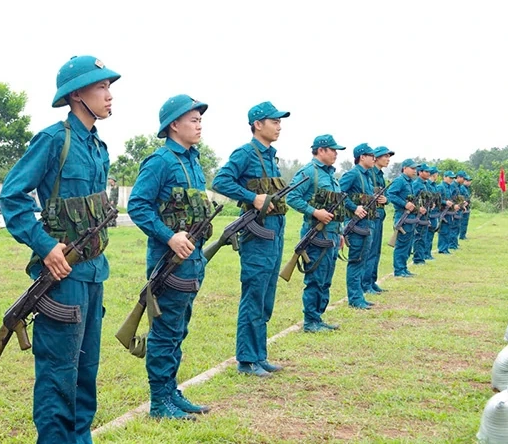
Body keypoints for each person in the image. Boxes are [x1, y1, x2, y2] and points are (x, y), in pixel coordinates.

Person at [0, 55, 119, 443]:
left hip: (92, 274)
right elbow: (12, 196)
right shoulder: (54, 141)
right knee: (58, 376)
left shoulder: (99, 147)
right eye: (101, 86)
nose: (109, 94)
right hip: (60, 278)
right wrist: (45, 245)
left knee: (86, 372)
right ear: (77, 94)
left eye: (108, 86)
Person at [128, 95, 214, 419]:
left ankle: (170, 392)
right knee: (164, 332)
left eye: (200, 119)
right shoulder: (160, 162)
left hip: (192, 262)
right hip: (169, 264)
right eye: (193, 119)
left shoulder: (193, 162)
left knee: (179, 330)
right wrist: (169, 236)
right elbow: (137, 205)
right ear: (174, 125)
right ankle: (158, 402)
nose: (199, 124)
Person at [212, 100, 290, 377]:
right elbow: (221, 181)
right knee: (254, 296)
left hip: (275, 234)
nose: (279, 126)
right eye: (274, 121)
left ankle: (259, 355)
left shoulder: (271, 157)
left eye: (280, 121)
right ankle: (246, 359)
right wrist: (252, 198)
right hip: (257, 238)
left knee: (266, 297)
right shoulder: (245, 153)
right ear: (258, 124)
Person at [286, 134, 347, 333]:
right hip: (316, 234)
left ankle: (318, 318)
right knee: (316, 278)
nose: (336, 154)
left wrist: (341, 233)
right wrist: (314, 212)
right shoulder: (309, 172)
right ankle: (310, 321)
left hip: (332, 234)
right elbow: (291, 196)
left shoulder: (331, 175)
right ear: (321, 150)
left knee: (326, 279)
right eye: (333, 150)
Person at [340, 143, 377, 310]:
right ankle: (355, 298)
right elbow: (339, 193)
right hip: (356, 226)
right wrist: (353, 207)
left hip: (367, 224)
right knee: (355, 261)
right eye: (371, 155)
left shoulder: (367, 176)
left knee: (362, 260)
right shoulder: (353, 174)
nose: (374, 158)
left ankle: (359, 294)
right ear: (362, 157)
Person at [387, 159, 425, 276]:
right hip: (402, 216)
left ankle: (403, 268)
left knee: (408, 245)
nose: (415, 171)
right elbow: (390, 194)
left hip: (410, 216)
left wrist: (418, 208)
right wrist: (404, 204)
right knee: (402, 244)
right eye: (412, 168)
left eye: (415, 169)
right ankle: (399, 270)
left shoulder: (409, 182)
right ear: (404, 168)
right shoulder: (400, 181)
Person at [363, 146, 393, 295]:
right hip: (370, 216)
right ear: (377, 157)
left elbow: (387, 195)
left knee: (376, 251)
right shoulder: (368, 174)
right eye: (385, 156)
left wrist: (385, 199)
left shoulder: (380, 175)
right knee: (369, 251)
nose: (388, 160)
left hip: (379, 216)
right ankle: (365, 283)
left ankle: (372, 281)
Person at [436, 171, 457, 254]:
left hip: (449, 212)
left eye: (452, 178)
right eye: (449, 178)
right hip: (442, 212)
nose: (451, 180)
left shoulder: (450, 187)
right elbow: (437, 199)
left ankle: (446, 248)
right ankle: (442, 249)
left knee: (448, 230)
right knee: (443, 231)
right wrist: (445, 202)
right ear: (444, 177)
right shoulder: (440, 187)